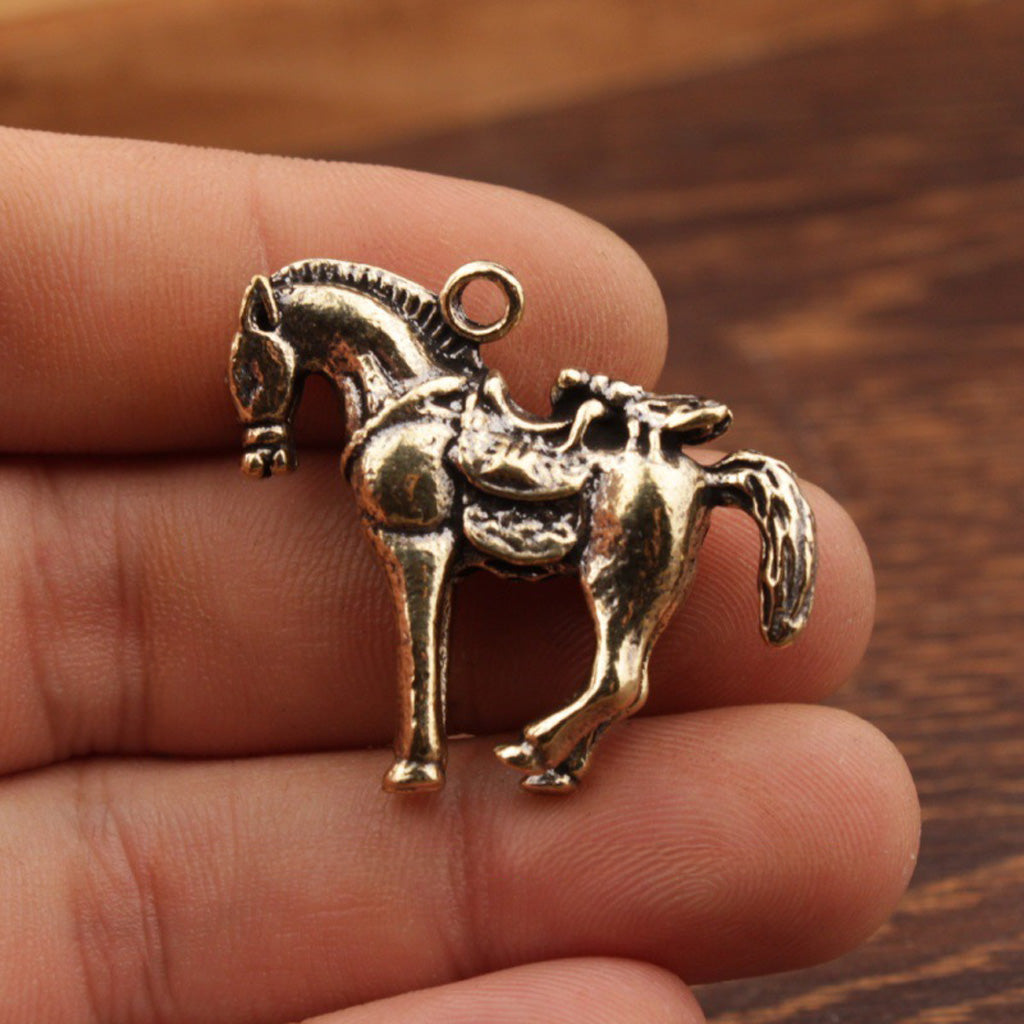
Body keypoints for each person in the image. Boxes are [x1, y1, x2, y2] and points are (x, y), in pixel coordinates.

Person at [0, 126, 920, 1024]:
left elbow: (418, 588)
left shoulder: (406, 444)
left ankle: (437, 746)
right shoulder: (414, 415)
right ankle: (553, 741)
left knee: (514, 619)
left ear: (292, 340)